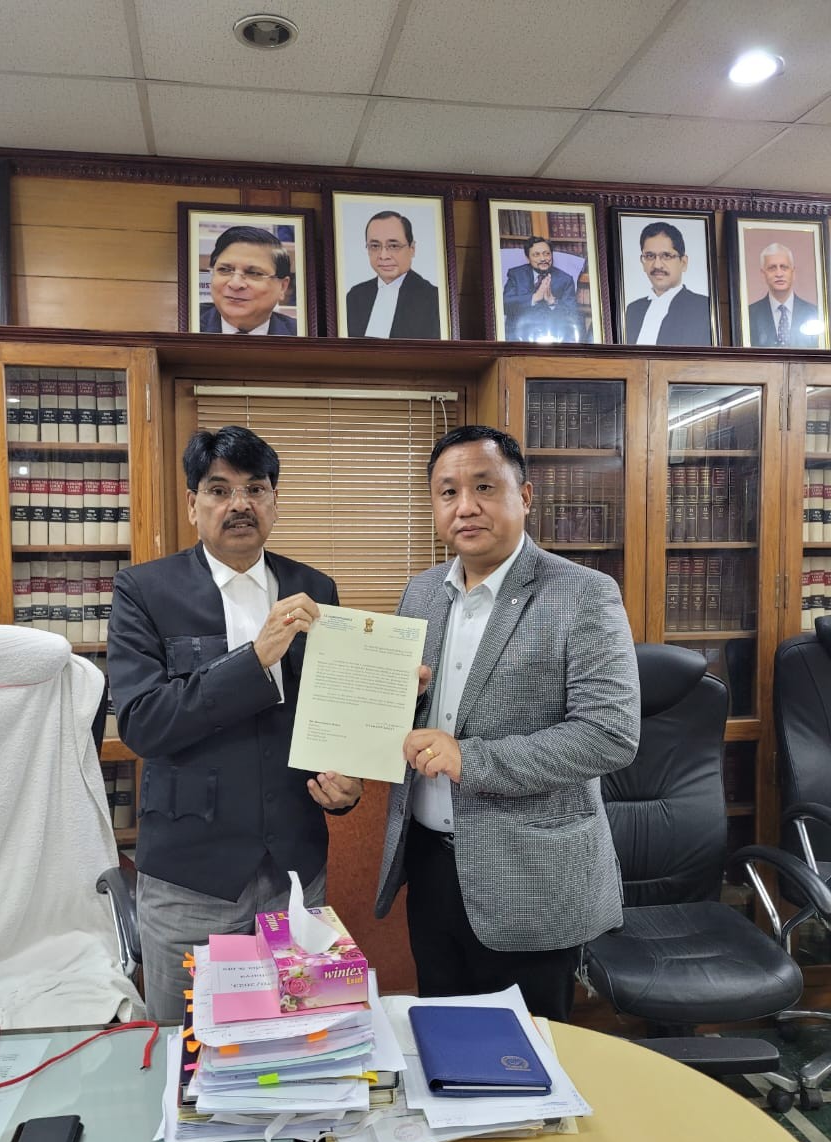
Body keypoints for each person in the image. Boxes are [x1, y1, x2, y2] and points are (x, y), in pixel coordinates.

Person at [374, 425, 640, 1021]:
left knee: (528, 1057)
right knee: (443, 1038)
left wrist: (471, 758)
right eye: (448, 492)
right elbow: (407, 720)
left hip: (531, 877)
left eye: (484, 487)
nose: (465, 506)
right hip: (430, 864)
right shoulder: (421, 593)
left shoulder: (583, 593)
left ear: (524, 495)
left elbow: (609, 733)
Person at [107, 425, 361, 1020]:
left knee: (301, 1040)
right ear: (192, 503)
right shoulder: (144, 591)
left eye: (255, 488)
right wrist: (255, 660)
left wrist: (348, 784)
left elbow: (335, 715)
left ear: (275, 501)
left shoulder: (315, 589)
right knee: (186, 1049)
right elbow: (143, 723)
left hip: (296, 873)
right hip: (191, 881)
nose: (239, 504)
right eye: (219, 490)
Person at [345, 210, 440, 339]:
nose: (383, 256)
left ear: (412, 249)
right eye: (375, 246)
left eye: (393, 246)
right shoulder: (355, 296)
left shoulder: (434, 299)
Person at [624, 221, 712, 345]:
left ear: (683, 263)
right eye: (650, 256)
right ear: (643, 263)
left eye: (666, 256)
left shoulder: (704, 308)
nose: (657, 265)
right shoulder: (633, 310)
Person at [199, 226, 298, 335]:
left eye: (254, 273)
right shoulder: (188, 322)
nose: (235, 284)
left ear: (282, 287)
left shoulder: (301, 333)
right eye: (224, 270)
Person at [503, 235, 582, 343]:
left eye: (547, 254)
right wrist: (534, 298)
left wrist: (552, 302)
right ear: (528, 258)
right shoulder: (516, 275)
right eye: (536, 254)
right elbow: (505, 304)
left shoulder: (565, 279)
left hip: (551, 337)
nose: (543, 259)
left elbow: (573, 315)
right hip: (518, 337)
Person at [747, 243, 822, 348]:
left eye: (784, 267)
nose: (779, 274)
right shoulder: (749, 316)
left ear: (793, 272)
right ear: (763, 274)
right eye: (772, 268)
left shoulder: (816, 314)